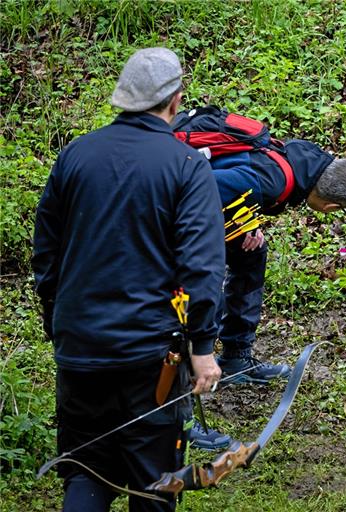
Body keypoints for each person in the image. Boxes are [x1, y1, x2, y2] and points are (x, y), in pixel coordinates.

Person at [32, 47, 225, 511]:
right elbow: (202, 268)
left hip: (80, 350)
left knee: (84, 474)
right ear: (176, 101)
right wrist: (202, 350)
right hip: (149, 360)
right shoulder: (187, 165)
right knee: (154, 486)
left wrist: (60, 324)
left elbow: (46, 256)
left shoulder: (74, 156)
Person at [186, 138, 346, 450]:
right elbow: (199, 187)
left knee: (251, 255)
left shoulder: (309, 162)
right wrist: (216, 233)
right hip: (168, 213)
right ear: (331, 207)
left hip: (207, 198)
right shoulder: (274, 181)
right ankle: (180, 417)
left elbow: (240, 171)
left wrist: (245, 221)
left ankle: (235, 359)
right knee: (200, 287)